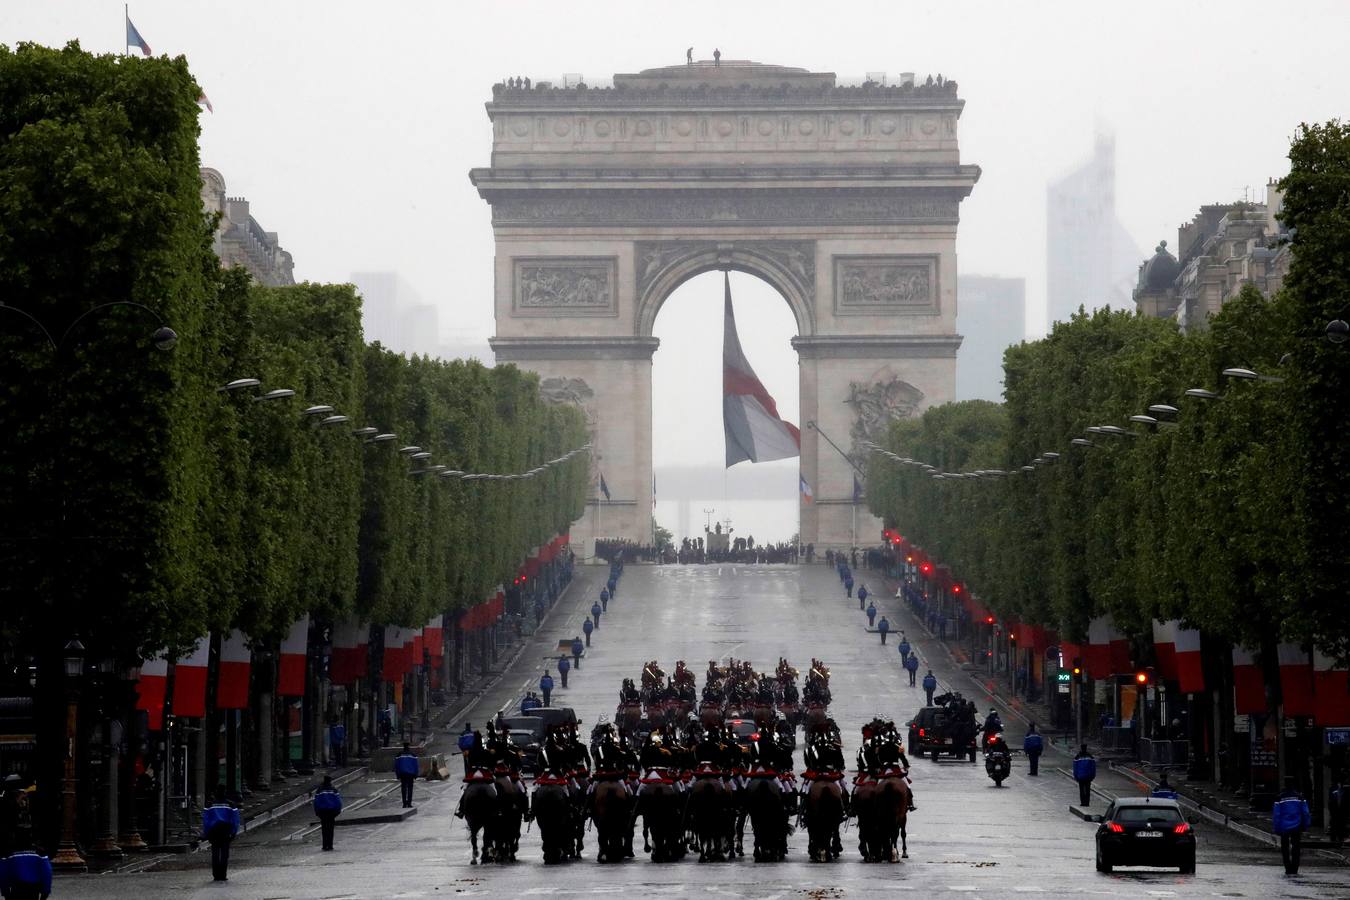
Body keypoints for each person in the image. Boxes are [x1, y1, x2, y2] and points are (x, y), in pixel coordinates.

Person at [1272, 778, 1312, 875]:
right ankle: (1295, 868)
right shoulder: (1300, 797)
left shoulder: (1280, 798)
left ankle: (1287, 868)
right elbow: (1306, 813)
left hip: (1283, 827)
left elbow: (1276, 815)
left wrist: (1276, 828)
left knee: (1285, 848)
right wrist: (1305, 825)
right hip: (1297, 826)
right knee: (1296, 848)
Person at [202, 788, 241, 882]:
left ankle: (216, 875)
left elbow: (206, 821)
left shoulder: (209, 805)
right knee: (224, 854)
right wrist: (234, 832)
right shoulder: (231, 805)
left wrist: (206, 833)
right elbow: (235, 820)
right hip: (226, 831)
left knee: (215, 853)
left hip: (214, 831)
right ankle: (223, 875)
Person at [0, 833, 51, 900]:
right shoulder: (40, 852)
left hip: (16, 889)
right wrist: (45, 893)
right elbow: (47, 873)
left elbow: (3, 873)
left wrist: (6, 892)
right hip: (33, 890)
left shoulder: (8, 853)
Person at [313, 774, 343, 851]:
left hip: (322, 812)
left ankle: (324, 845)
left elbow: (316, 802)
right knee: (330, 829)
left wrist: (317, 812)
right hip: (332, 812)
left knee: (324, 828)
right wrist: (337, 811)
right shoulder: (333, 789)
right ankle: (330, 845)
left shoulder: (319, 790)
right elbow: (338, 802)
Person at [394, 743, 419, 808]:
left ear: (403, 747)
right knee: (410, 788)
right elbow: (416, 765)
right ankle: (409, 803)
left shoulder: (399, 755)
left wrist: (397, 775)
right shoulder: (413, 755)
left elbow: (396, 765)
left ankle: (404, 803)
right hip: (411, 774)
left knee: (403, 788)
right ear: (409, 747)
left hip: (402, 774)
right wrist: (416, 774)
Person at [1329, 780, 1346, 845]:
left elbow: (1345, 801)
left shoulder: (1343, 791)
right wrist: (1331, 810)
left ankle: (1340, 837)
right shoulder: (1333, 790)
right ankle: (1333, 838)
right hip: (1334, 811)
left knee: (1341, 825)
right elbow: (1330, 801)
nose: (1339, 785)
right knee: (1334, 824)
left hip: (1341, 811)